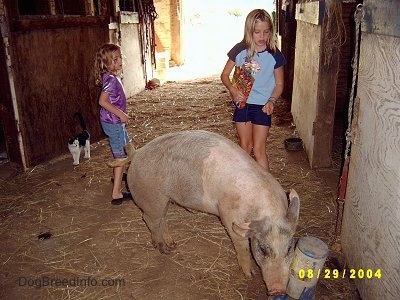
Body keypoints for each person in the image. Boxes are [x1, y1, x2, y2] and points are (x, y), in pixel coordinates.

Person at [220, 9, 286, 171]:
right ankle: (244, 189)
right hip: (243, 104)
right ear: (249, 31)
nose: (262, 37)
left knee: (258, 150)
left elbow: (279, 84)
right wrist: (233, 90)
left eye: (266, 32)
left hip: (262, 106)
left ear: (271, 31)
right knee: (244, 148)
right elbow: (225, 75)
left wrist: (272, 101)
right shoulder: (239, 50)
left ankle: (266, 191)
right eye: (257, 32)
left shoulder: (274, 55)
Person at [94, 43, 131, 205]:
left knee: (127, 147)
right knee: (121, 157)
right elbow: (102, 101)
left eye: (119, 57)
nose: (119, 61)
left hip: (116, 122)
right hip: (113, 122)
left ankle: (122, 173)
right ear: (105, 64)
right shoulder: (110, 79)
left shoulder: (113, 77)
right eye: (114, 60)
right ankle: (116, 193)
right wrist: (121, 114)